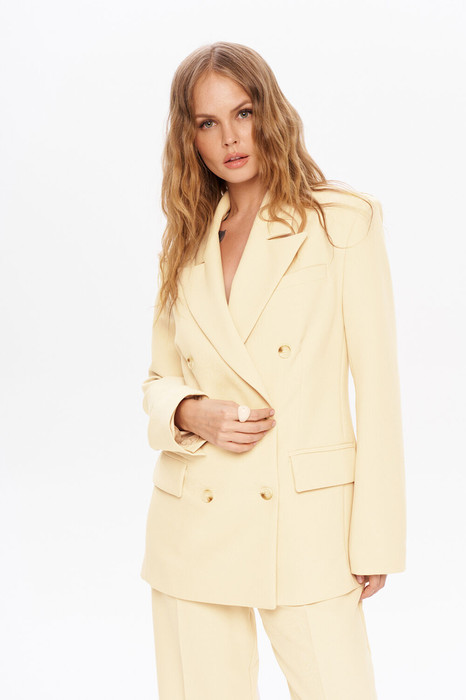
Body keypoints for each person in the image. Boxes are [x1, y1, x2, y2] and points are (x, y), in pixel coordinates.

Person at [140, 41, 407, 700]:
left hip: (306, 522)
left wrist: (374, 537)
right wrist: (191, 412)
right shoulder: (186, 239)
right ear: (190, 138)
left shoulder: (341, 222)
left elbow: (379, 388)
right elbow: (158, 381)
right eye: (207, 123)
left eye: (244, 112)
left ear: (271, 112)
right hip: (194, 521)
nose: (230, 138)